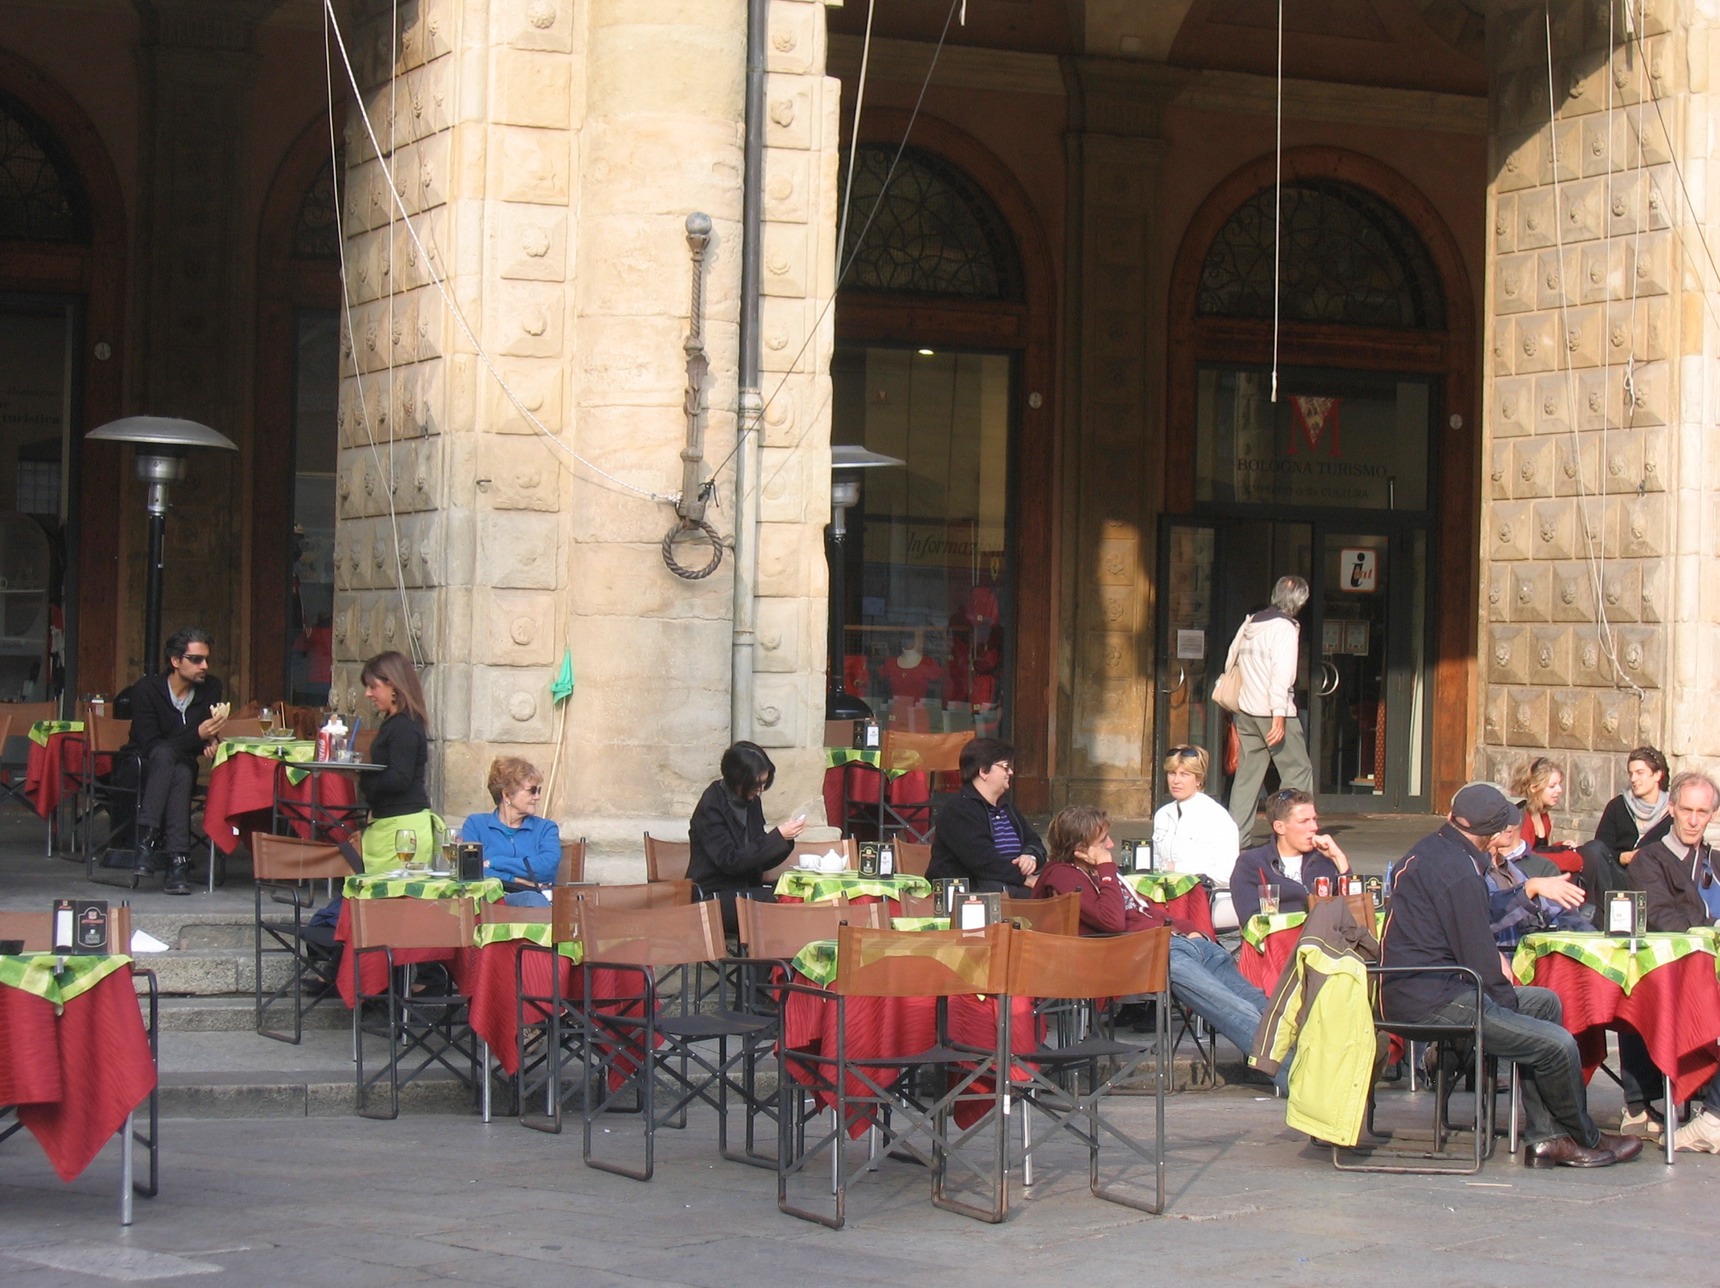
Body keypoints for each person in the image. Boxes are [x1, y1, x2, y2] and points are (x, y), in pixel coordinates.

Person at [1380, 783, 1641, 1168]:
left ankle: (1547, 1138)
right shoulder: (1458, 870)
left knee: (1546, 1004)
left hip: (1431, 986)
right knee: (1556, 1044)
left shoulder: (1439, 848)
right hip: (1431, 998)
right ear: (1490, 835)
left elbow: (1483, 910)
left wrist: (1529, 889)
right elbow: (1481, 959)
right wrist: (1506, 1007)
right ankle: (1584, 1137)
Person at [1036, 805, 1286, 1094]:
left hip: (1176, 942)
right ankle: (1290, 1073)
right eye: (1103, 841)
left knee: (1255, 999)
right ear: (1080, 849)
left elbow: (1144, 911)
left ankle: (1305, 1057)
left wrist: (1187, 926)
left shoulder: (1099, 873)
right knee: (1231, 1007)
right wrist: (1106, 868)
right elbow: (1112, 921)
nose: (1111, 845)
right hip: (1144, 955)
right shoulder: (1064, 876)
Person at [1624, 771, 1720, 1151]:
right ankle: (1713, 1117)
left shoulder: (1715, 861)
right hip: (1675, 976)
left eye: (1702, 812)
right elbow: (1664, 919)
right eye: (1687, 811)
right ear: (1672, 809)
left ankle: (1712, 1117)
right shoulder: (1649, 861)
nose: (1694, 820)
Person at [123, 626, 228, 895]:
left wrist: (210, 740)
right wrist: (198, 735)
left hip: (180, 766)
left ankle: (147, 843)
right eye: (196, 659)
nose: (204, 666)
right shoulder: (146, 689)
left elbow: (198, 736)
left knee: (180, 769)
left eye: (206, 659)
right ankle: (177, 862)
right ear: (175, 661)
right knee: (168, 758)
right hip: (142, 768)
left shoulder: (211, 687)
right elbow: (151, 743)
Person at [1223, 575, 1314, 843]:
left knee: (1247, 778)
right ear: (1299, 601)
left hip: (1247, 710)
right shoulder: (1285, 628)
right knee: (1297, 771)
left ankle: (1235, 839)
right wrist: (1279, 714)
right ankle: (1296, 832)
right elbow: (1282, 675)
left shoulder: (1251, 622)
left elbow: (1231, 660)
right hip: (1273, 711)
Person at [688, 741, 803, 931]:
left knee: (797, 893)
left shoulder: (752, 803)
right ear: (737, 779)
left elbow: (758, 859)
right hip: (713, 896)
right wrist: (776, 837)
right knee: (777, 902)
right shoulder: (711, 805)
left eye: (764, 784)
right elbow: (730, 861)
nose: (759, 790)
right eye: (755, 785)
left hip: (747, 889)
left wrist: (784, 840)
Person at [927, 737, 1045, 895]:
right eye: (1005, 767)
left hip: (1008, 888)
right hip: (970, 896)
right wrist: (1023, 878)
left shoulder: (1006, 807)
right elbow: (983, 861)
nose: (1011, 772)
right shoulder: (958, 810)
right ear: (983, 771)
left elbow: (1034, 841)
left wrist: (1030, 857)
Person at [358, 650, 435, 873]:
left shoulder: (404, 726)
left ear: (393, 685)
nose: (368, 694)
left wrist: (362, 777)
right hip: (391, 824)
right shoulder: (396, 722)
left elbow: (400, 778)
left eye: (373, 687)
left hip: (402, 827)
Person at [1151, 744, 1241, 927]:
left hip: (1207, 896)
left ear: (1198, 779)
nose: (1176, 781)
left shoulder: (1216, 816)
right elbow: (1155, 862)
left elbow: (1228, 873)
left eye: (1184, 774)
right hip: (1164, 894)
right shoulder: (1162, 815)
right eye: (1172, 773)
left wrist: (1179, 868)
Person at [1229, 788, 1349, 923]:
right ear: (1279, 827)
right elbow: (1252, 921)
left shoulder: (1324, 860)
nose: (1314, 827)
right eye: (1304, 821)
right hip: (1280, 935)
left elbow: (1352, 912)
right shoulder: (1253, 863)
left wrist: (1339, 858)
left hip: (1327, 934)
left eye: (1315, 819)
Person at [1578, 746, 1673, 907]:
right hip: (1617, 876)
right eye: (1631, 774)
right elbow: (1601, 849)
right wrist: (1623, 857)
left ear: (1658, 775)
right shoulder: (1617, 806)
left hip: (1653, 881)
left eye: (1640, 773)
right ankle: (1605, 909)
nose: (1634, 779)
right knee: (1592, 849)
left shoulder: (1673, 812)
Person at [462, 756, 562, 906]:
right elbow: (470, 872)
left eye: (538, 790)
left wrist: (495, 862)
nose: (538, 797)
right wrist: (516, 880)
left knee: (532, 900)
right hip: (489, 903)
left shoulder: (546, 828)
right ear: (507, 794)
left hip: (534, 904)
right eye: (532, 791)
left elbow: (546, 869)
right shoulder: (476, 825)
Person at [1512, 756, 1583, 877]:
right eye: (1552, 786)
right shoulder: (1522, 817)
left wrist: (1560, 846)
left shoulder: (1543, 815)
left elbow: (1540, 849)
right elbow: (1526, 857)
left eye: (1559, 784)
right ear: (1534, 788)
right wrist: (1568, 858)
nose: (1559, 790)